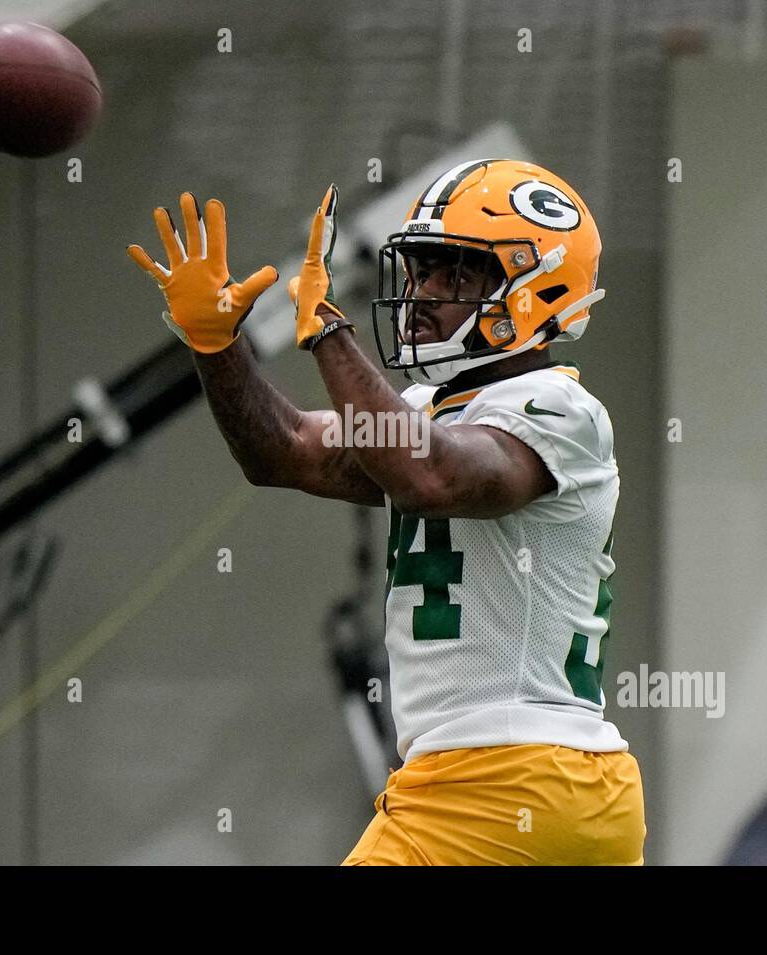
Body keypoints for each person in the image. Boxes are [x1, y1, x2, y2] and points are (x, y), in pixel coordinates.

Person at [127, 158, 645, 865]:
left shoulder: (557, 407)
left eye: (455, 274)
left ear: (536, 289)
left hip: (501, 782)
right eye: (423, 271)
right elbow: (283, 452)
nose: (425, 293)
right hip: (542, 787)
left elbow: (430, 473)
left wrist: (328, 335)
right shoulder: (429, 413)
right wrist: (218, 347)